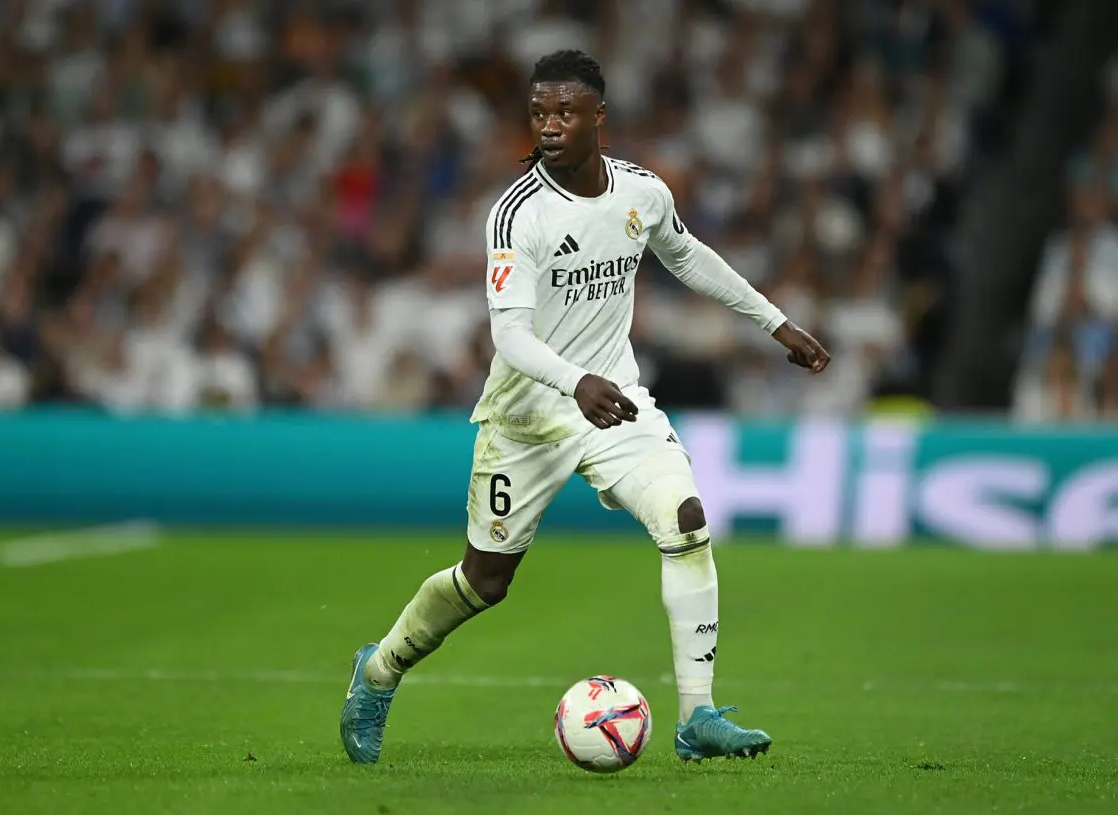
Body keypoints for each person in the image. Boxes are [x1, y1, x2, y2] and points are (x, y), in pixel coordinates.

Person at [340, 50, 830, 765]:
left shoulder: (641, 192)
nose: (549, 125)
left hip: (616, 402)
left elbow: (687, 256)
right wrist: (575, 382)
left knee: (686, 519)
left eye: (565, 112)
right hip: (529, 416)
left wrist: (774, 321)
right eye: (539, 112)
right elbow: (509, 335)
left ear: (599, 117)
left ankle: (698, 717)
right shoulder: (517, 215)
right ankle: (378, 670)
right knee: (486, 581)